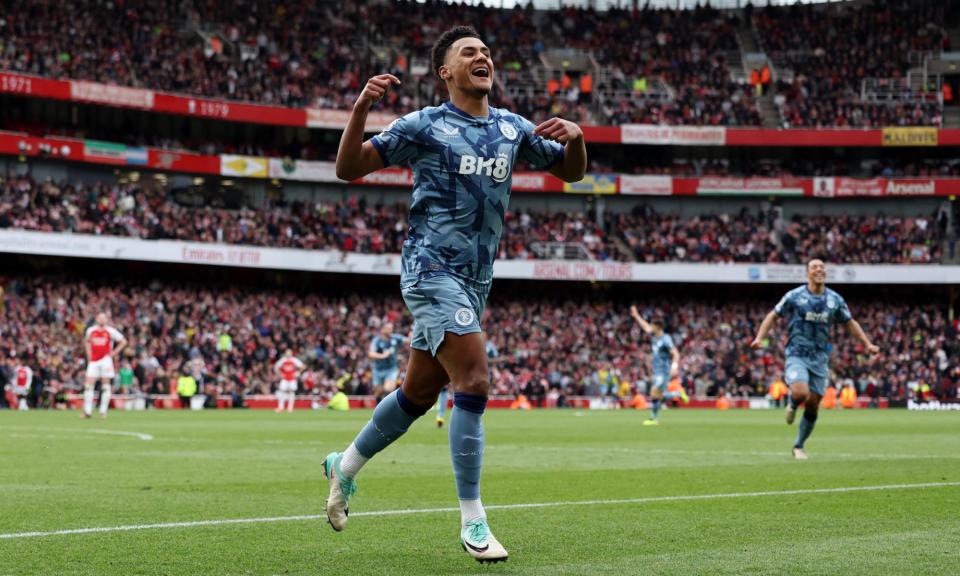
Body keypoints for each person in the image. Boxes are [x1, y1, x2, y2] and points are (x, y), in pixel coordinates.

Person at [326, 25, 585, 563]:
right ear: (446, 72)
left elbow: (572, 174)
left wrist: (577, 139)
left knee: (418, 395)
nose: (482, 56)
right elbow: (348, 169)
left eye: (487, 51)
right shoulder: (424, 125)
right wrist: (358, 111)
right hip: (429, 271)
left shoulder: (513, 129)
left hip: (475, 282)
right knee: (474, 380)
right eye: (470, 52)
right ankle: (473, 519)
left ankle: (344, 466)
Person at [751, 259, 880, 459]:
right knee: (801, 392)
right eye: (814, 267)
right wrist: (760, 338)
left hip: (820, 358)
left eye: (822, 267)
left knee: (813, 404)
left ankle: (798, 446)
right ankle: (792, 404)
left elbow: (850, 323)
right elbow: (773, 315)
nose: (819, 270)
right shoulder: (794, 296)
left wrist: (867, 344)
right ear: (807, 274)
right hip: (797, 354)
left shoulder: (834, 299)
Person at [629, 306, 689, 425]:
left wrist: (674, 367)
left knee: (654, 393)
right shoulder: (654, 336)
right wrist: (636, 315)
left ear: (658, 327)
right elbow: (644, 326)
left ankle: (653, 418)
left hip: (664, 371)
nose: (650, 327)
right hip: (657, 371)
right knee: (657, 395)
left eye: (653, 326)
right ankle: (677, 394)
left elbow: (676, 353)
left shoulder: (666, 339)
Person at [82, 313, 127, 419]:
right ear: (96, 319)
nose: (102, 320)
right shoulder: (91, 330)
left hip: (106, 360)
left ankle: (103, 411)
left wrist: (114, 353)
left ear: (107, 320)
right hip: (94, 361)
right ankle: (87, 411)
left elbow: (123, 341)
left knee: (105, 386)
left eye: (104, 318)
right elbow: (87, 342)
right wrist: (89, 355)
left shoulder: (110, 331)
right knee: (88, 385)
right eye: (100, 317)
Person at [367, 322, 407, 403]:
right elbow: (370, 354)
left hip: (391, 369)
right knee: (378, 392)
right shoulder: (377, 340)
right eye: (388, 328)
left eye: (391, 328)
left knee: (388, 389)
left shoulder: (395, 338)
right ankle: (379, 406)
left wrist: (411, 335)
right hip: (378, 370)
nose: (390, 330)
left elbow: (408, 340)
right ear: (382, 330)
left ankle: (387, 407)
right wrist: (383, 356)